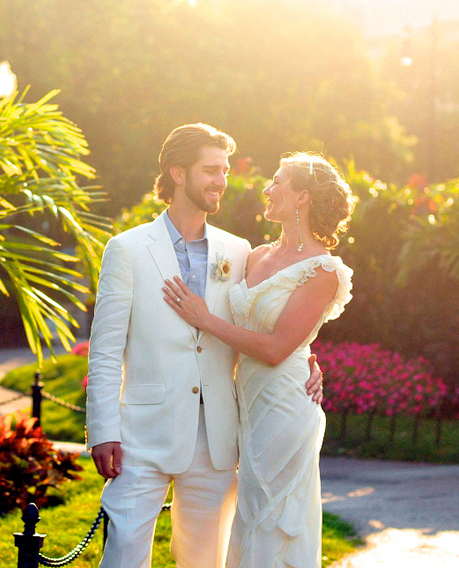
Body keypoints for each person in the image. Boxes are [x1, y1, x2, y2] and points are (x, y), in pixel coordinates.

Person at [86, 124, 323, 568]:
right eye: (211, 170)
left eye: (225, 170)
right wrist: (103, 430)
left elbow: (267, 319)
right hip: (141, 436)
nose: (222, 180)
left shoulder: (239, 252)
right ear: (178, 173)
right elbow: (104, 350)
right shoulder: (128, 249)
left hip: (217, 440)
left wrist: (304, 359)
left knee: (204, 561)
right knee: (122, 558)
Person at [163, 152, 354, 567]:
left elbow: (275, 348)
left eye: (278, 181)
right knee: (248, 511)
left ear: (302, 196)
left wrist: (205, 319)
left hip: (284, 403)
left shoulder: (323, 270)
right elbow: (260, 330)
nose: (267, 189)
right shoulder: (255, 254)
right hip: (243, 400)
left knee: (269, 510)